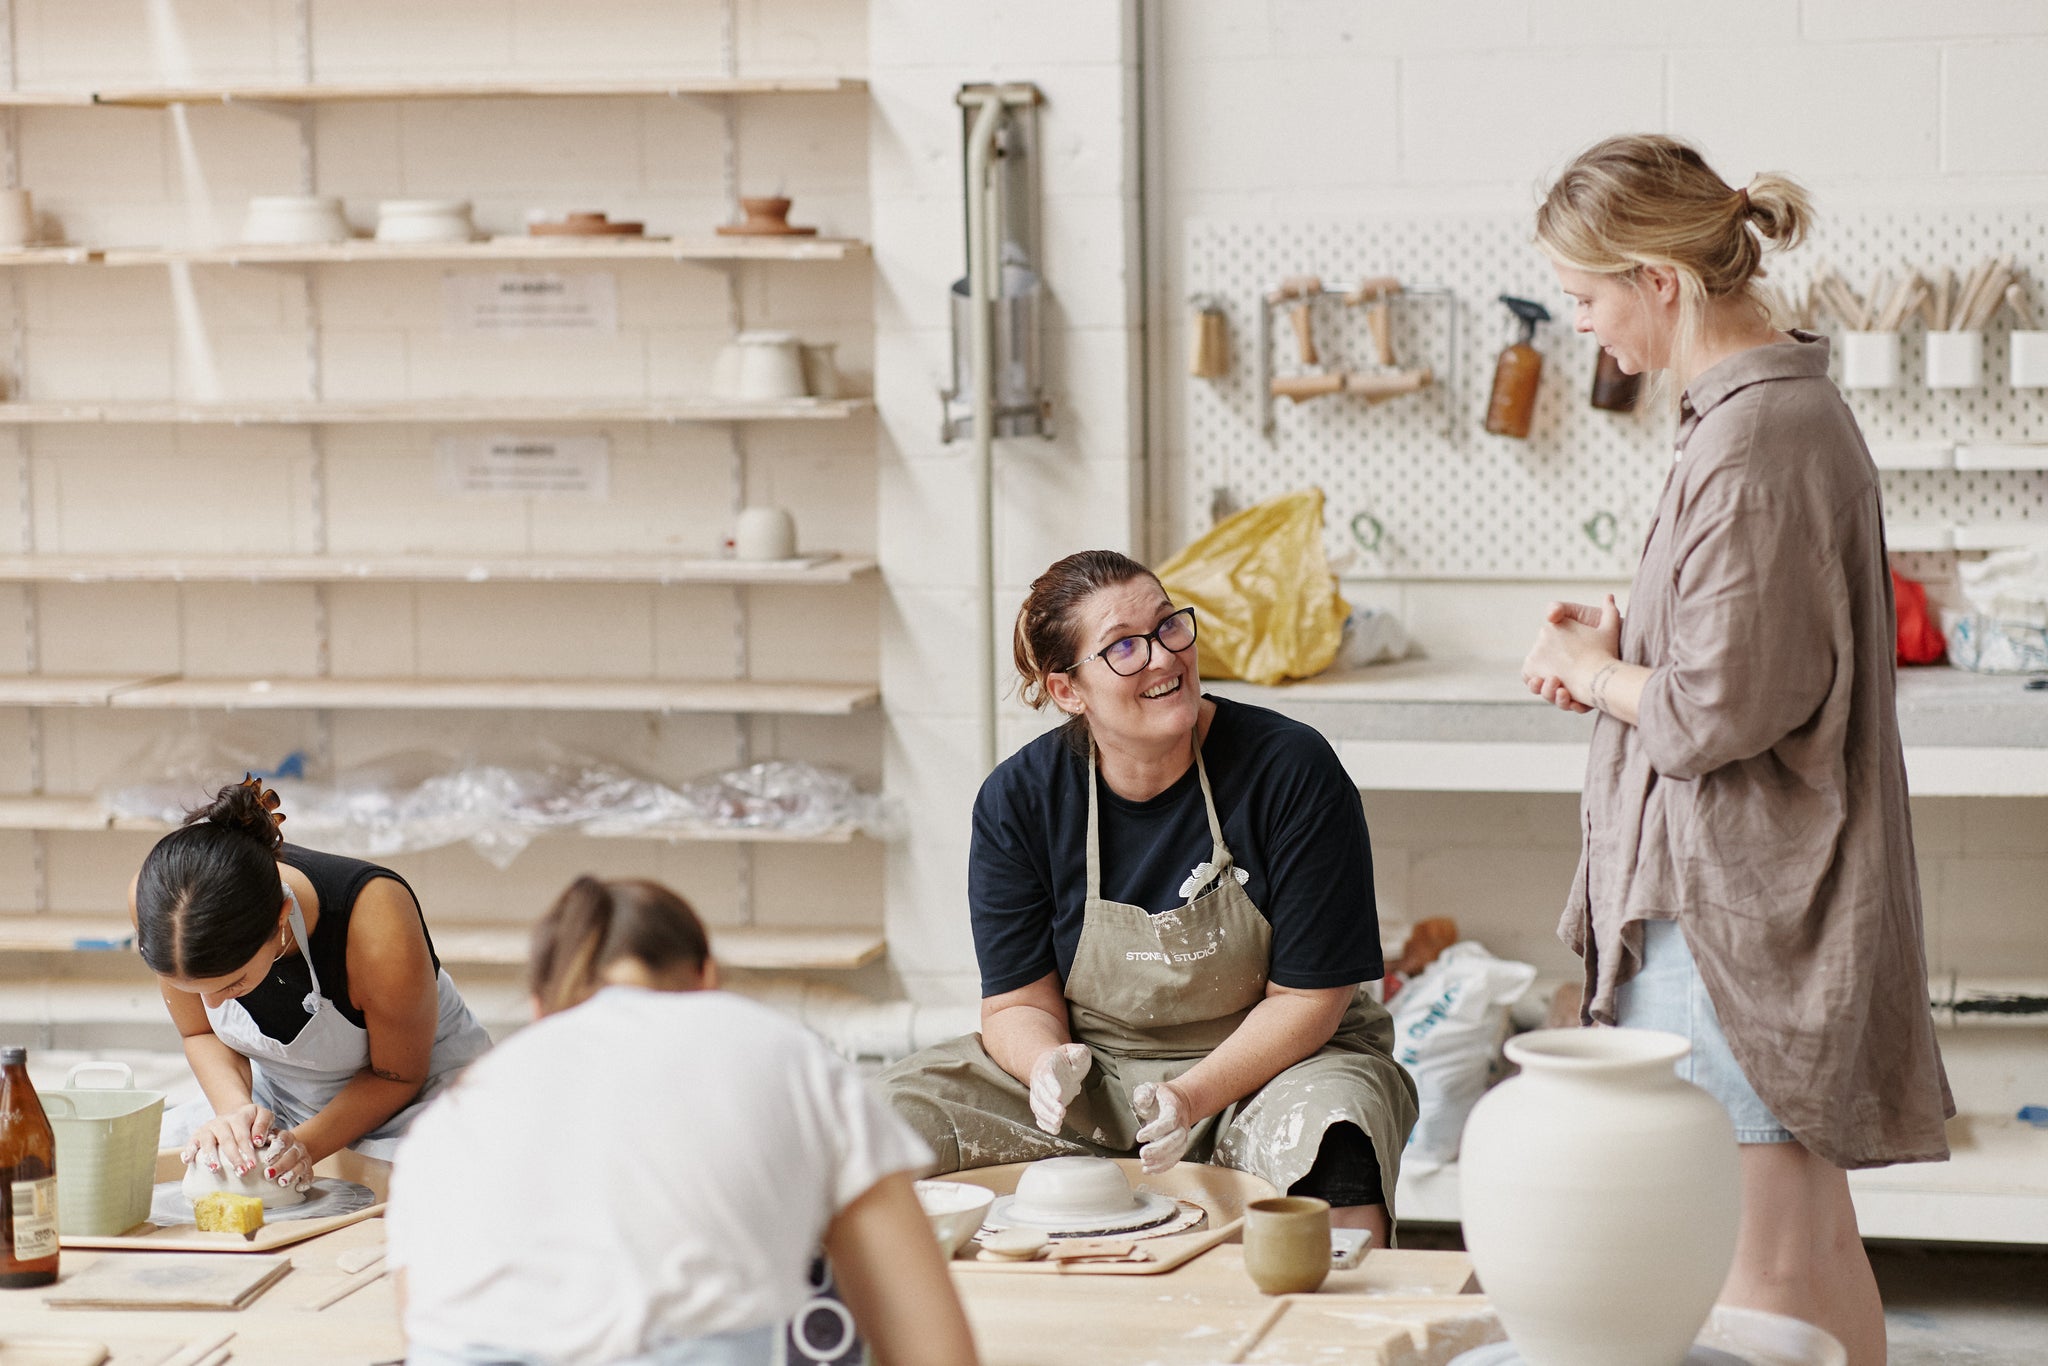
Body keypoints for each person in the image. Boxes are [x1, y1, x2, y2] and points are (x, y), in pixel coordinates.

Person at [1520, 134, 1952, 1366]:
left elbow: (1716, 708)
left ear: (1659, 278)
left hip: (1736, 913)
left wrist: (1596, 674)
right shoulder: (1751, 416)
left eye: (1587, 296)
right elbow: (1736, 650)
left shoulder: (1756, 438)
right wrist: (1622, 637)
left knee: (1759, 1270)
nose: (1581, 325)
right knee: (1807, 1250)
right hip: (1750, 899)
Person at [879, 550, 1417, 1247]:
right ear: (1068, 690)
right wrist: (1045, 1065)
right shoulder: (1020, 800)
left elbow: (1310, 1000)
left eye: (1169, 628)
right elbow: (1016, 1005)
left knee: (1333, 1139)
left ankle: (1341, 1341)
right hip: (1093, 1076)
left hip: (1272, 1067)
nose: (1164, 658)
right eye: (1124, 648)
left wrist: (1190, 1097)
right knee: (881, 1124)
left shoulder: (1290, 769)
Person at [386, 876, 977, 1366]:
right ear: (707, 978)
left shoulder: (455, 1114)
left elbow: (425, 1331)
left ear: (542, 1009)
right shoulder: (782, 1051)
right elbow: (934, 1347)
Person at [134, 775, 492, 1189]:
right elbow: (199, 1031)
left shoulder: (377, 922)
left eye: (232, 984)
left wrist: (302, 1146)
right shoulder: (164, 904)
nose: (212, 1005)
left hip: (419, 1095)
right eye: (193, 989)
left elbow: (398, 1076)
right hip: (284, 1096)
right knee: (152, 1162)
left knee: (438, 1185)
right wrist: (235, 1112)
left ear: (282, 917)